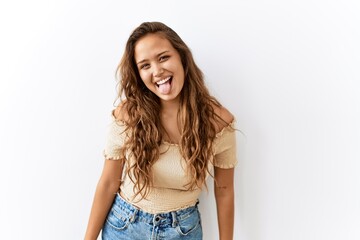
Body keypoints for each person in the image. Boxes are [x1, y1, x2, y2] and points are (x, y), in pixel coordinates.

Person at [84, 21, 237, 240]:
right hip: (125, 227)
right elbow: (109, 182)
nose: (157, 71)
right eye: (145, 65)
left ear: (182, 57)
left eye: (163, 57)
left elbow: (224, 190)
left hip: (183, 231)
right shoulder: (128, 115)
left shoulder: (218, 122)